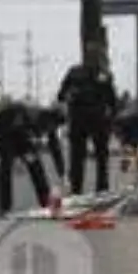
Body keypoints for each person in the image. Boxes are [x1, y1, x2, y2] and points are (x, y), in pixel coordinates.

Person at [56, 41, 119, 195]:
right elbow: (61, 95)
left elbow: (112, 101)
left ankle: (97, 190)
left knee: (95, 158)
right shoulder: (81, 73)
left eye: (95, 55)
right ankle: (84, 191)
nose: (94, 58)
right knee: (82, 159)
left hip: (92, 120)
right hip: (85, 119)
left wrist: (112, 119)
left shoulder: (98, 74)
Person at [0, 99, 53, 215]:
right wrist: (15, 159)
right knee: (6, 164)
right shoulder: (16, 112)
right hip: (0, 132)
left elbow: (33, 139)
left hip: (19, 135)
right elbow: (6, 143)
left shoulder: (35, 119)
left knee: (35, 163)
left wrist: (34, 149)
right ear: (31, 111)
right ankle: (5, 207)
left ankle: (46, 201)